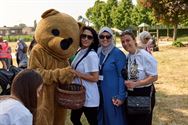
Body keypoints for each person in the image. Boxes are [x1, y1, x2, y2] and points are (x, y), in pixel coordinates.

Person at [120, 30, 158, 125]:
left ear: (134, 40)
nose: (125, 43)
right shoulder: (128, 56)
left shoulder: (145, 56)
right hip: (131, 94)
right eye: (123, 42)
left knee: (143, 122)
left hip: (144, 93)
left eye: (128, 40)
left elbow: (154, 76)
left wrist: (136, 83)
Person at [97, 27, 127, 125]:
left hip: (113, 94)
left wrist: (121, 96)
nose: (105, 39)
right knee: (101, 118)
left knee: (114, 119)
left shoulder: (118, 54)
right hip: (99, 92)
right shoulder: (97, 53)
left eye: (108, 36)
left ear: (112, 38)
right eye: (102, 36)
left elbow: (121, 76)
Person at [70, 26, 100, 125]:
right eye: (83, 36)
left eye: (89, 37)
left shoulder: (91, 55)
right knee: (74, 118)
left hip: (89, 96)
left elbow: (95, 78)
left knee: (93, 122)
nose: (86, 39)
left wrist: (77, 74)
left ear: (93, 40)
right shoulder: (80, 51)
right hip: (79, 94)